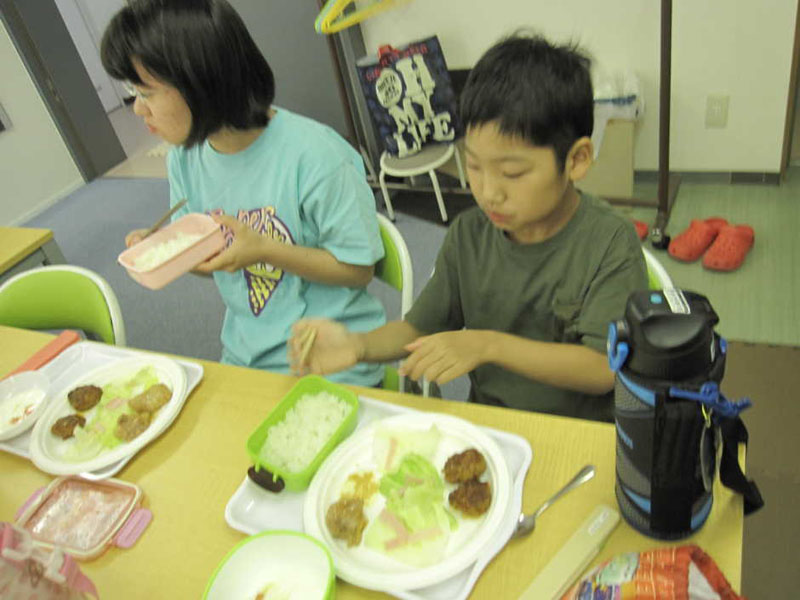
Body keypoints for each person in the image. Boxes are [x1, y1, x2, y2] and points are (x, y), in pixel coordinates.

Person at [290, 33, 648, 421]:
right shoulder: (469, 235)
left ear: (576, 160)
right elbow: (418, 329)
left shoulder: (610, 242)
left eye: (512, 173)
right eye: (474, 166)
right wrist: (358, 346)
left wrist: (488, 345)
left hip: (576, 431)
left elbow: (601, 368)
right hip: (491, 423)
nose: (489, 193)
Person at [101, 0, 386, 387]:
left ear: (201, 81)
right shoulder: (185, 158)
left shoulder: (317, 156)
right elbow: (214, 261)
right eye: (132, 92)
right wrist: (169, 252)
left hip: (329, 355)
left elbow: (359, 270)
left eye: (146, 93)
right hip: (245, 354)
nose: (137, 110)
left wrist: (266, 250)